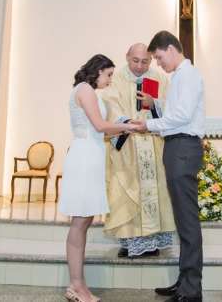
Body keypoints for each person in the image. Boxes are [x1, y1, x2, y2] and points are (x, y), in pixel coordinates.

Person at [132, 31, 206, 302]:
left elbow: (183, 116)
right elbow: (177, 112)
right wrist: (156, 105)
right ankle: (184, 282)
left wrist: (147, 124)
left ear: (172, 49)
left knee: (187, 221)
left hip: (183, 149)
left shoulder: (189, 75)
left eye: (159, 58)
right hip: (177, 147)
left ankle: (191, 290)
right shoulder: (180, 78)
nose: (159, 64)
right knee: (182, 220)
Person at [58, 54, 139, 302]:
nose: (110, 80)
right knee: (79, 222)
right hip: (83, 158)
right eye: (109, 75)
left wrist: (120, 126)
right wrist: (128, 126)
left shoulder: (87, 91)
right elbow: (100, 126)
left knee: (83, 221)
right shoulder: (85, 90)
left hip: (90, 155)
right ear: (98, 70)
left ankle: (78, 285)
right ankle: (76, 286)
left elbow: (100, 130)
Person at [100, 43, 176, 259]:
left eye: (145, 61)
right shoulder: (116, 78)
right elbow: (110, 104)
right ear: (127, 57)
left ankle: (152, 243)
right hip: (128, 146)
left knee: (154, 194)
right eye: (135, 61)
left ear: (151, 60)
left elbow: (172, 107)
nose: (140, 66)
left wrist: (155, 104)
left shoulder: (160, 79)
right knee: (126, 195)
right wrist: (126, 123)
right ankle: (129, 241)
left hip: (153, 145)